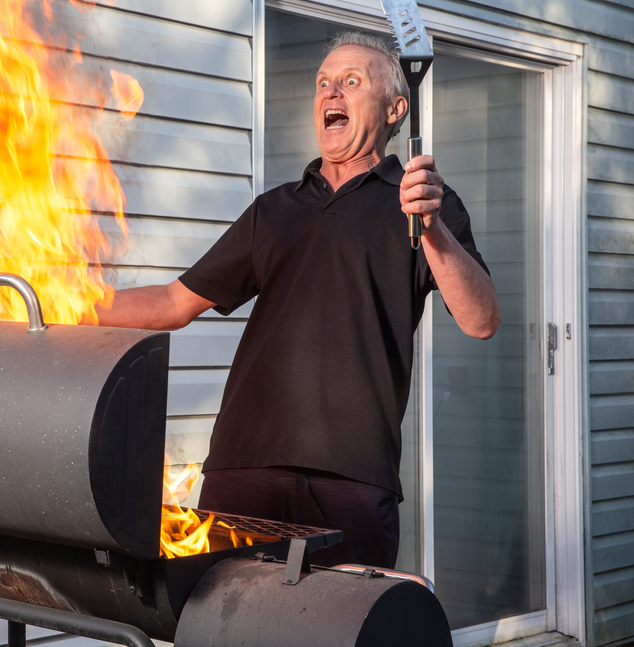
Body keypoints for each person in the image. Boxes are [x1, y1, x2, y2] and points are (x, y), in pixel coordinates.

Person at [93, 32, 500, 568]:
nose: (331, 93)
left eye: (351, 82)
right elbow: (174, 302)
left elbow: (481, 320)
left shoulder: (424, 206)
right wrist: (67, 302)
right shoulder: (274, 209)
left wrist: (431, 230)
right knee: (222, 626)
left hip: (352, 477)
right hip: (242, 467)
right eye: (322, 84)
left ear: (396, 108)